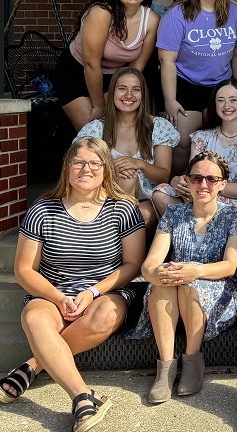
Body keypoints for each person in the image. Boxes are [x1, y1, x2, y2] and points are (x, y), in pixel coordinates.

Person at [1, 137, 145, 430]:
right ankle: (83, 396)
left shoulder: (125, 209)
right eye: (78, 162)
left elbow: (133, 265)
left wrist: (93, 292)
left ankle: (33, 365)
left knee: (104, 315)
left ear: (106, 169)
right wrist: (57, 298)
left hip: (107, 291)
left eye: (94, 163)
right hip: (54, 291)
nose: (86, 169)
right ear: (67, 166)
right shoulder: (42, 209)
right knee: (35, 318)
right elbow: (24, 270)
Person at [127, 152, 237, 402]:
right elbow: (149, 264)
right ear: (187, 181)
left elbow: (229, 265)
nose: (203, 185)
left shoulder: (233, 216)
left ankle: (192, 361)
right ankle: (166, 368)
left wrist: (197, 271)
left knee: (190, 286)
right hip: (178, 282)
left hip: (219, 285)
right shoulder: (173, 214)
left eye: (212, 179)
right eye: (197, 178)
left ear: (223, 184)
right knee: (162, 286)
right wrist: (157, 274)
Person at [158, 0, 237, 175]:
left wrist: (235, 88)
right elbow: (167, 61)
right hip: (185, 84)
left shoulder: (233, 12)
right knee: (181, 143)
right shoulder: (177, 15)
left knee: (213, 142)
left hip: (219, 86)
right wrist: (170, 100)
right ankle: (177, 187)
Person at [75, 67, 179, 237]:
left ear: (143, 95)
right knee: (126, 177)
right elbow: (76, 168)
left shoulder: (158, 126)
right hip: (103, 197)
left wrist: (139, 164)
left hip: (146, 198)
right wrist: (112, 169)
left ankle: (121, 254)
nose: (128, 95)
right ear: (112, 92)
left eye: (136, 90)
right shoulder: (95, 129)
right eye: (122, 88)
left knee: (140, 216)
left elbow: (163, 176)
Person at [153, 79, 237, 224]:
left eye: (233, 100)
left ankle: (196, 233)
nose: (227, 106)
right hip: (200, 196)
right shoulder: (202, 137)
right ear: (214, 105)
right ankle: (195, 233)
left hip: (236, 202)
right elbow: (193, 174)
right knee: (160, 192)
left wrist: (205, 188)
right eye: (221, 100)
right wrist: (177, 180)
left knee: (198, 202)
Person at [57, 0, 159, 131]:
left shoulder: (152, 19)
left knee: (119, 129)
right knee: (93, 131)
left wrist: (126, 95)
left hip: (112, 78)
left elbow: (134, 70)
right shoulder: (102, 13)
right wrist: (99, 106)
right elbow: (91, 64)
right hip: (76, 72)